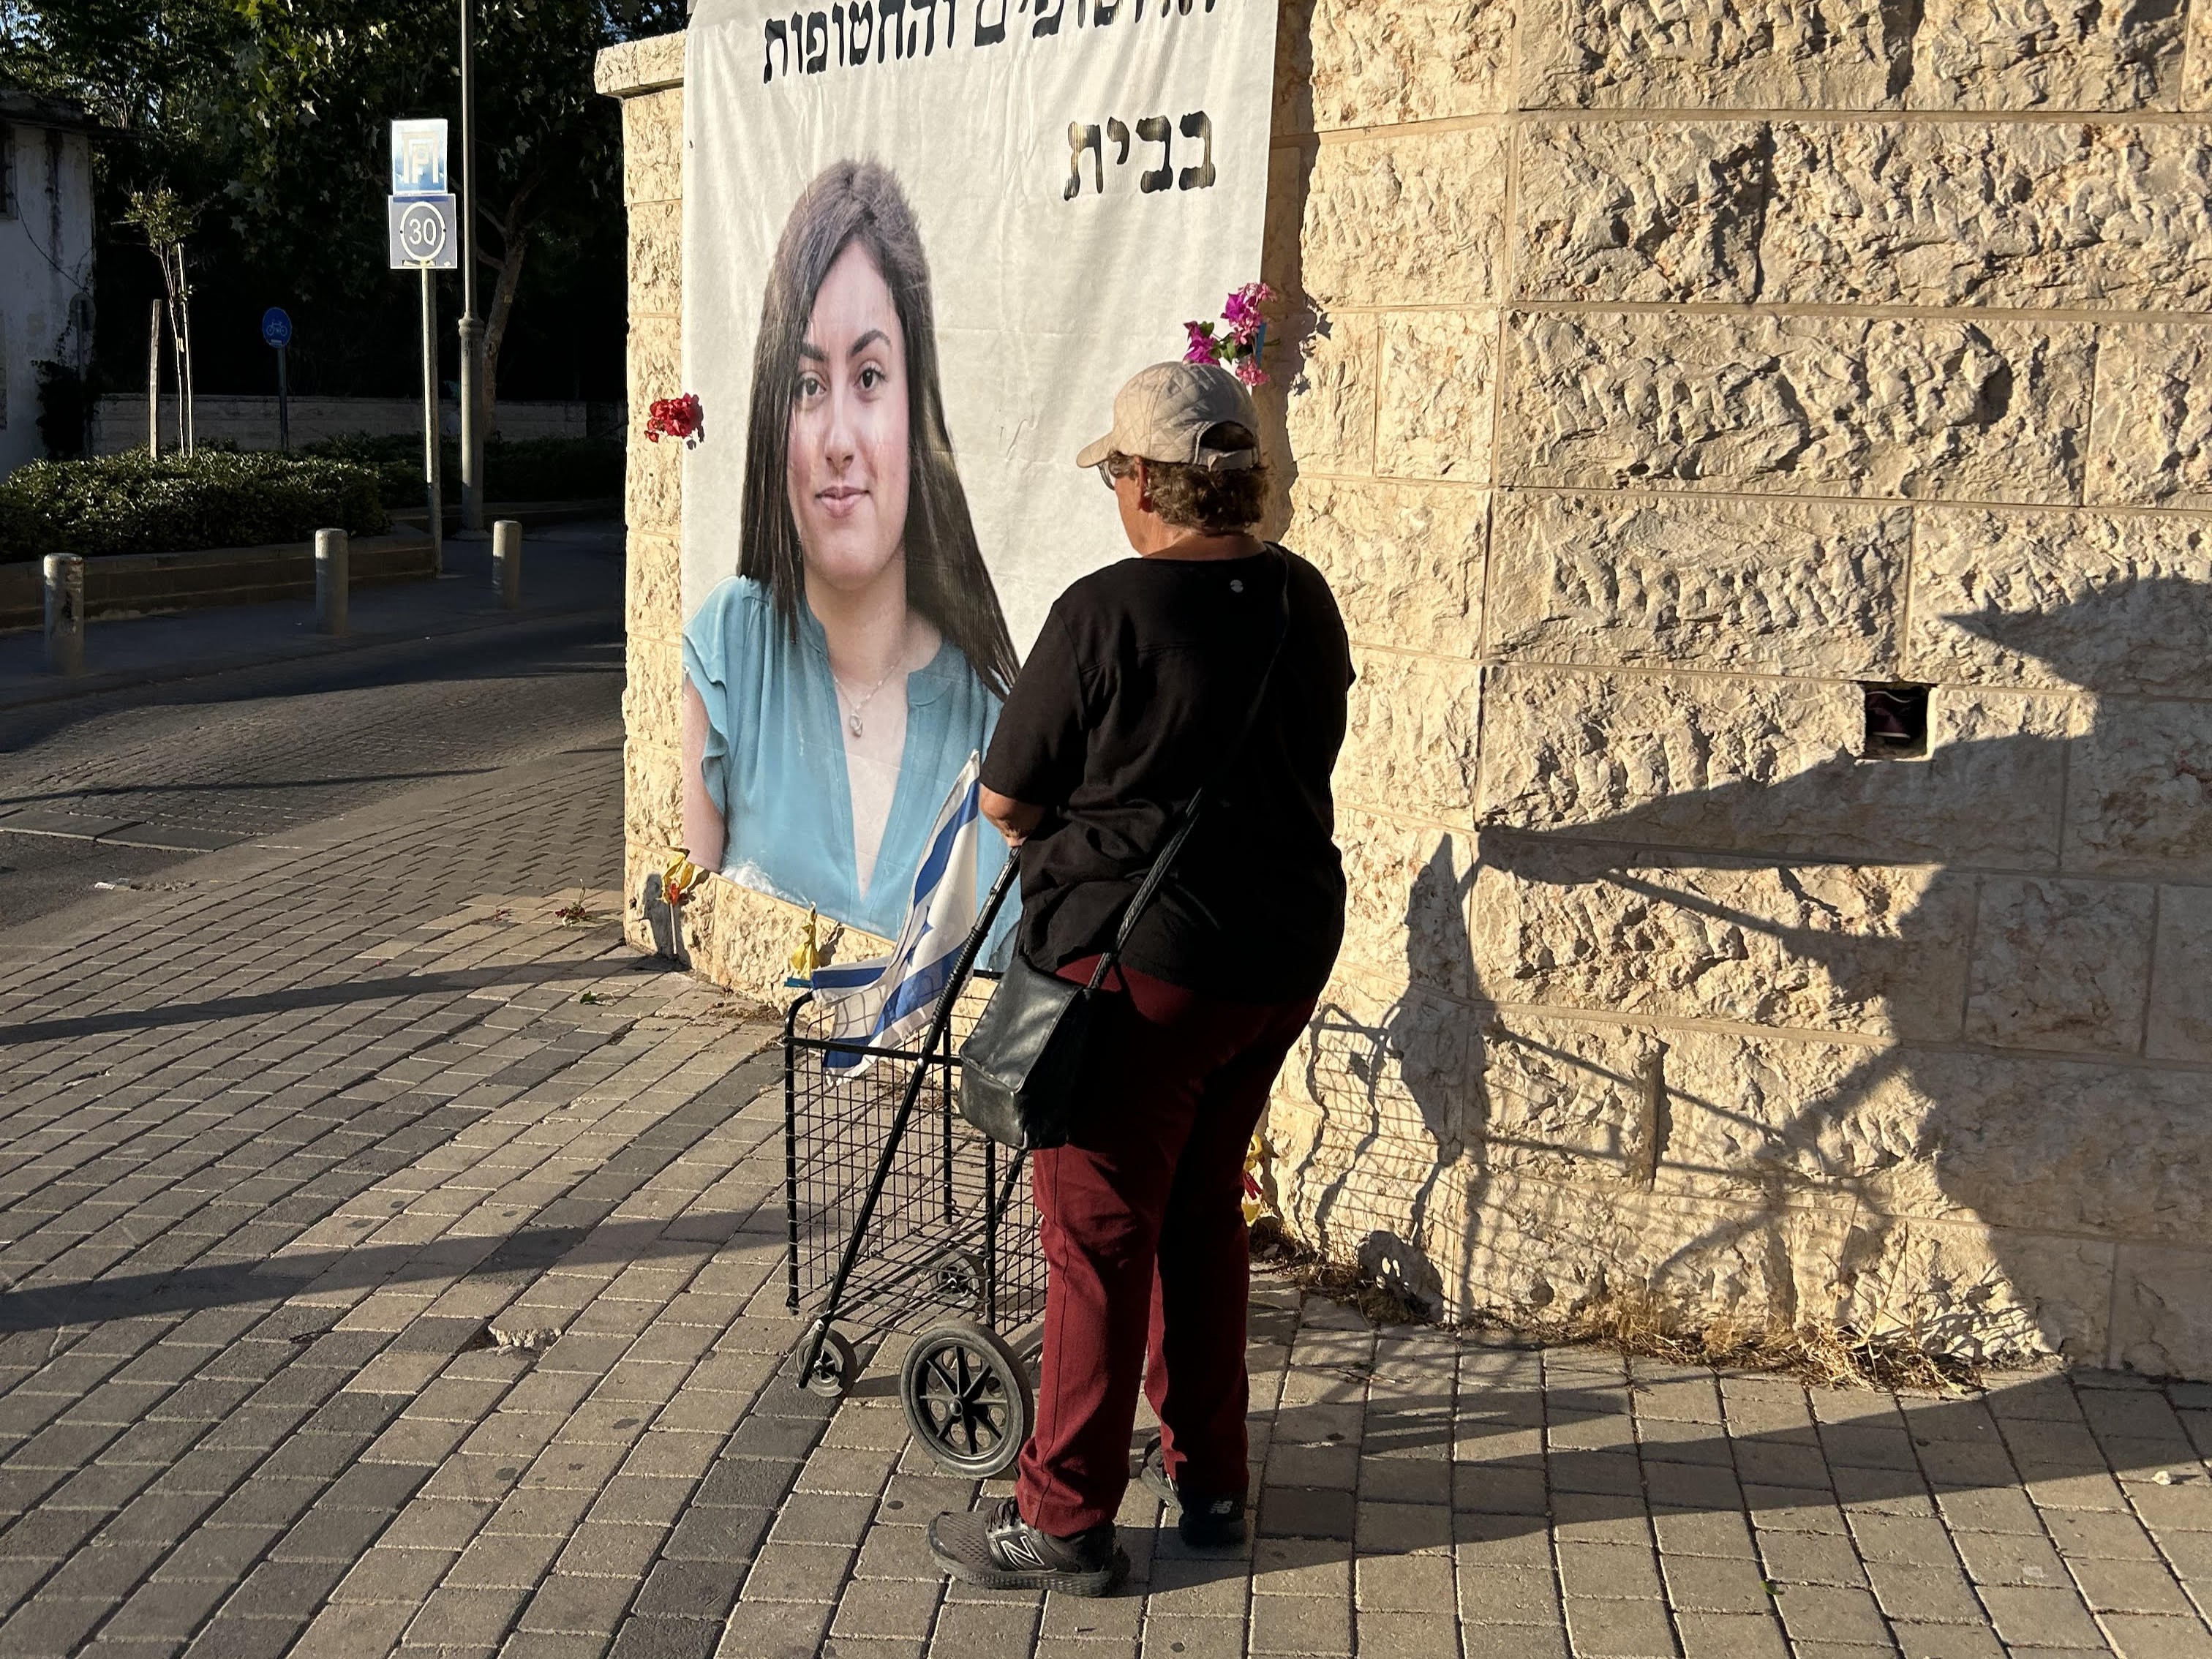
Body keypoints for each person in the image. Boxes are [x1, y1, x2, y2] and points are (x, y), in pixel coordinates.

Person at [927, 361, 1354, 1595]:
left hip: (1137, 969)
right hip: (1273, 959)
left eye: (1116, 471)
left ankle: (1060, 1517)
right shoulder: (1299, 598)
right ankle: (1209, 1477)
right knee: (1196, 1209)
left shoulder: (1103, 610)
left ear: (1144, 482)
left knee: (1096, 1237)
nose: (1114, 492)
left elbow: (1007, 794)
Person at [682, 159, 1018, 940]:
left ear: (916, 406)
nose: (837, 440)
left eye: (869, 376)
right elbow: (695, 936)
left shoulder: (993, 715)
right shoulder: (733, 648)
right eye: (806, 385)